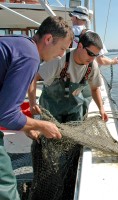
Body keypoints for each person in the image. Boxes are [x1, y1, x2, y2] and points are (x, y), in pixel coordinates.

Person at [28, 31, 108, 200]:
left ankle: (69, 180)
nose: (92, 58)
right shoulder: (59, 61)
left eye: (96, 55)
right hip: (52, 111)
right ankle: (49, 179)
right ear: (80, 46)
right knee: (48, 150)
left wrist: (101, 109)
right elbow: (33, 77)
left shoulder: (91, 66)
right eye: (90, 53)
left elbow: (94, 89)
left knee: (72, 148)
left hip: (74, 112)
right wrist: (32, 102)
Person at [0, 16, 73, 200]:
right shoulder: (30, 56)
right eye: (62, 48)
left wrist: (27, 127)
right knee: (6, 187)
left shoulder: (18, 43)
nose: (60, 55)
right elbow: (7, 116)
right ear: (48, 39)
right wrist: (41, 126)